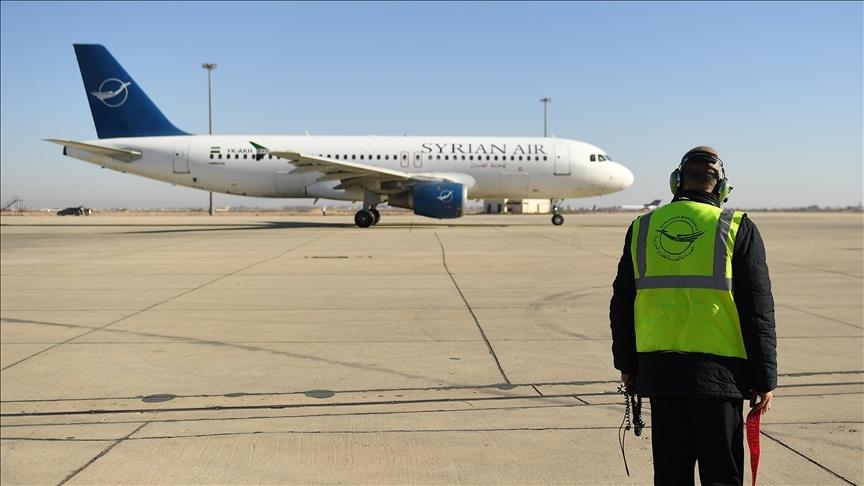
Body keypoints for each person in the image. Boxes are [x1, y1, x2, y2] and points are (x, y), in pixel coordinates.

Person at [610, 146, 777, 486]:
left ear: (677, 182)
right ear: (722, 187)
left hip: (660, 373)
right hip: (720, 376)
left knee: (671, 476)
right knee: (721, 476)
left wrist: (627, 366)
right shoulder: (736, 227)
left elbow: (622, 304)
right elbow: (757, 309)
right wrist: (765, 378)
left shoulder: (643, 228)